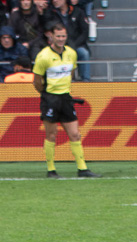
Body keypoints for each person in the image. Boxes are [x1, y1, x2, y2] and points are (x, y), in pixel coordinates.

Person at [33, 22, 92, 178]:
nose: (61, 39)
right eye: (58, 36)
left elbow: (71, 72)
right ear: (51, 36)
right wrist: (46, 94)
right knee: (51, 135)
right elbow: (37, 80)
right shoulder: (43, 56)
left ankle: (82, 169)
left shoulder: (71, 53)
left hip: (65, 98)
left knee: (75, 134)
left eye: (63, 36)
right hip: (50, 99)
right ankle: (51, 170)